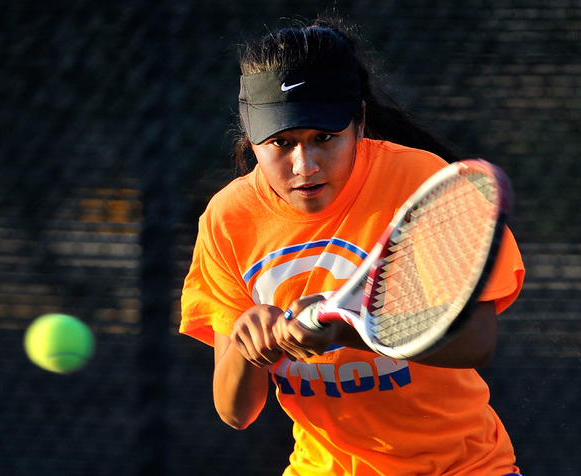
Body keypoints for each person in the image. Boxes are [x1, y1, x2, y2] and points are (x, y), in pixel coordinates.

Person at [180, 16, 525, 476]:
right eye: (281, 143)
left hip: (463, 467)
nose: (305, 164)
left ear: (359, 122)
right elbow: (235, 412)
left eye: (324, 137)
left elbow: (478, 341)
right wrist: (250, 346)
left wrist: (349, 332)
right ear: (251, 139)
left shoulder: (418, 181)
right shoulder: (227, 219)